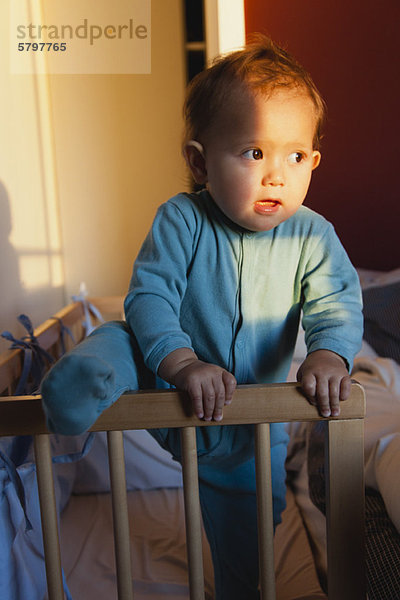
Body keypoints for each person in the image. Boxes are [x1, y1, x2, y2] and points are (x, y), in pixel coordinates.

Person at [42, 36, 363, 599]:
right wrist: (183, 361)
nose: (275, 176)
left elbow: (335, 302)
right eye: (252, 152)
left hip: (247, 421)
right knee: (120, 336)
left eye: (293, 156)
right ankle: (78, 384)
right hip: (166, 378)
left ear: (312, 161)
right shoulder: (182, 218)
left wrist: (329, 352)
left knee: (254, 528)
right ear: (199, 161)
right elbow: (150, 296)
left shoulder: (314, 236)